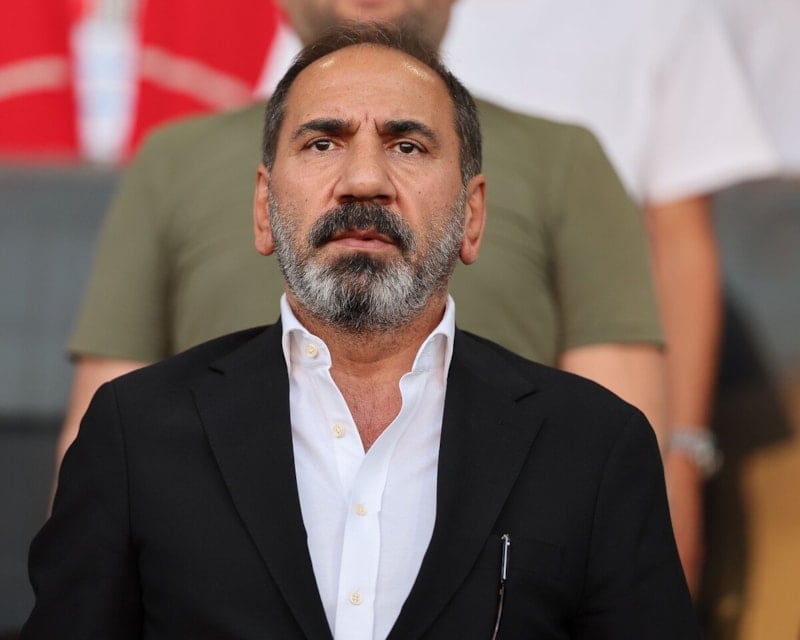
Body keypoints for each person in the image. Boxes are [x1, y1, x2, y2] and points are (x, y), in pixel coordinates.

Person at [23, 24, 699, 638]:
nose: (365, 180)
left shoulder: (594, 447)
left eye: (407, 145)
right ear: (262, 208)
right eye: (323, 143)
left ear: (472, 216)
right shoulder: (135, 434)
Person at [440, 0, 780, 595]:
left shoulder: (659, 17)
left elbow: (679, 241)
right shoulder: (359, 16)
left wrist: (679, 458)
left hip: (590, 389)